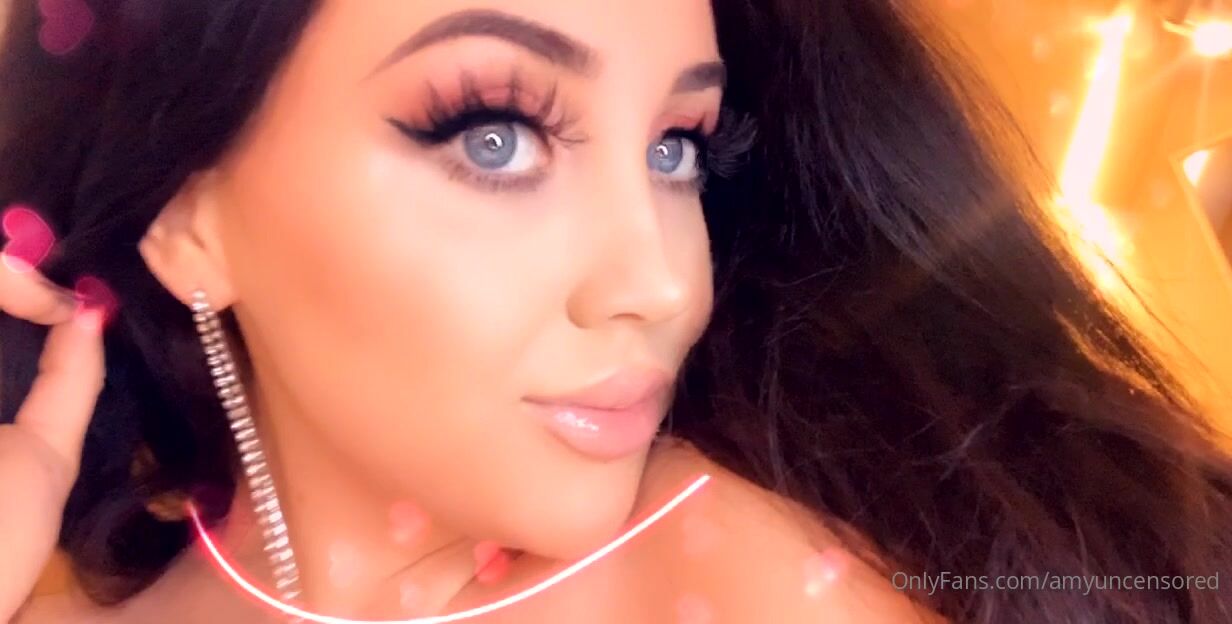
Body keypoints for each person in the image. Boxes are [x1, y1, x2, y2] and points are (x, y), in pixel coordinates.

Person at [1, 0, 1229, 622]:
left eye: (675, 149)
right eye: (493, 137)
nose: (662, 282)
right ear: (187, 217)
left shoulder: (742, 576)